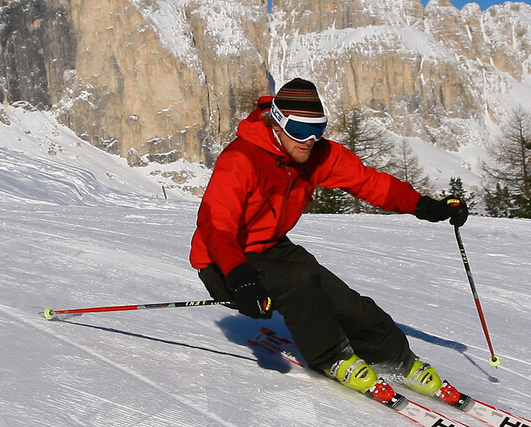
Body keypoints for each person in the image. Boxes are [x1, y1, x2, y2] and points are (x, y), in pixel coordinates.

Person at [189, 78, 470, 404]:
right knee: (299, 281)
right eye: (298, 128)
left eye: (317, 129)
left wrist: (425, 206)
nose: (308, 140)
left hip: (271, 246)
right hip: (222, 260)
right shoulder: (241, 159)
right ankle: (331, 355)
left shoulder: (313, 154)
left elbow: (369, 182)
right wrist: (240, 277)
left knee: (345, 301)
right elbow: (216, 226)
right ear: (278, 122)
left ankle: (397, 359)